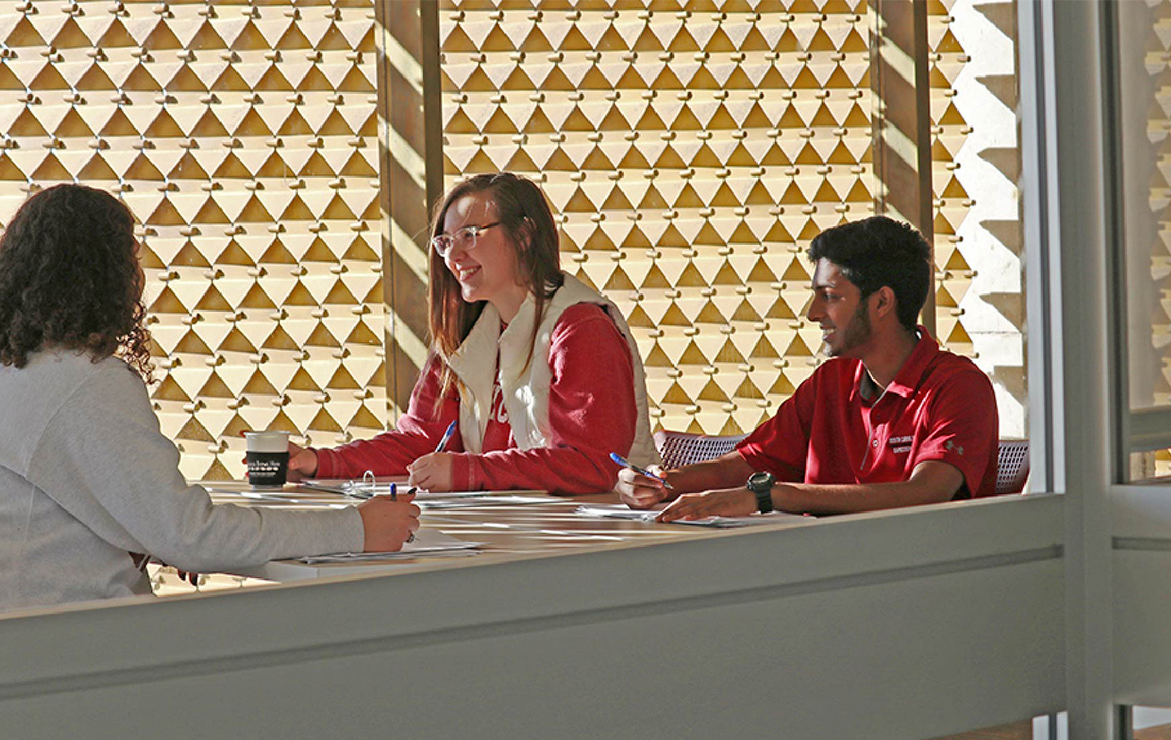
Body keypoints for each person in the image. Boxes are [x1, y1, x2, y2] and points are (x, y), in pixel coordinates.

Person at [0, 184, 418, 612]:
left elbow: (140, 524)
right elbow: (190, 536)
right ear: (105, 277)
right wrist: (354, 529)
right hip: (82, 658)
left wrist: (161, 538)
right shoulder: (81, 382)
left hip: (16, 649)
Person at [288, 172, 658, 495]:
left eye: (469, 235)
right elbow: (420, 441)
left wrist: (468, 471)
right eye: (445, 242)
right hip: (506, 537)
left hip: (596, 547)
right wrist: (319, 462)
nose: (453, 256)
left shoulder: (581, 327)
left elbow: (591, 464)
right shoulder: (464, 334)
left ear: (525, 234)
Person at [617, 215, 999, 520]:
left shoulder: (959, 386)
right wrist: (667, 481)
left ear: (882, 302)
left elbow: (924, 494)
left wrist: (770, 496)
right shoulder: (831, 381)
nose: (813, 314)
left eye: (829, 297)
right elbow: (754, 459)